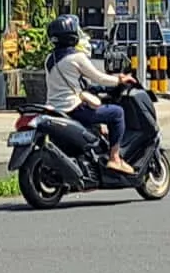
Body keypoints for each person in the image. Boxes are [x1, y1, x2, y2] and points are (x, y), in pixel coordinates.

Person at [43, 14, 136, 175]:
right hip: (74, 108)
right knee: (117, 113)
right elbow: (99, 77)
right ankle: (115, 158)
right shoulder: (76, 58)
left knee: (99, 118)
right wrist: (120, 80)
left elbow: (74, 84)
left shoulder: (49, 59)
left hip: (54, 109)